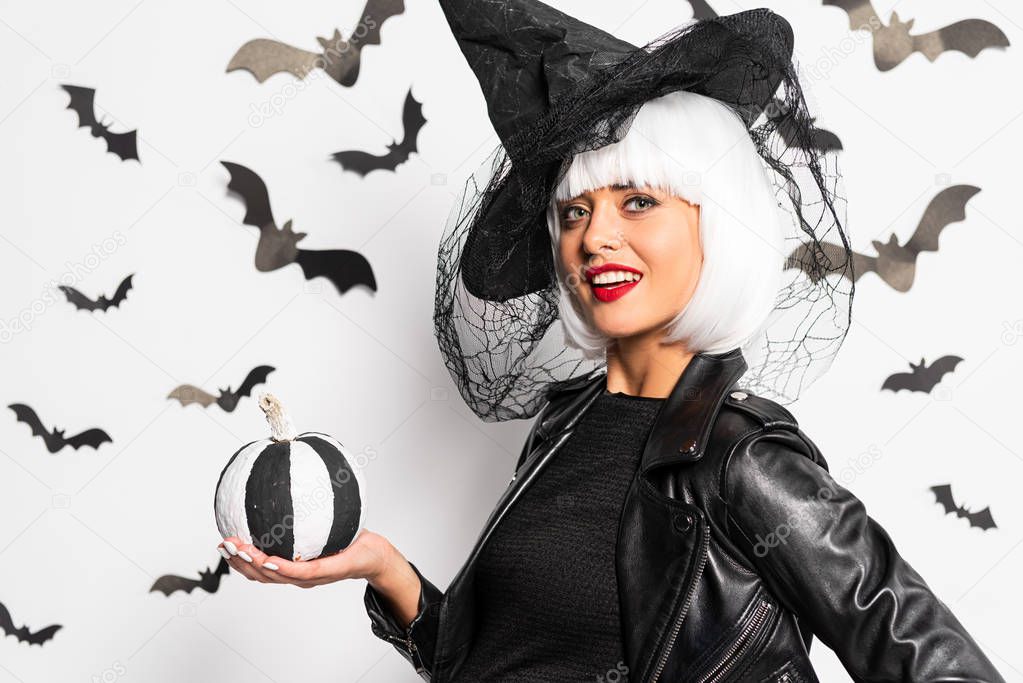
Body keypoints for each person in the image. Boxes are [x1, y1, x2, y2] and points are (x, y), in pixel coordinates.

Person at [218, 2, 1007, 682]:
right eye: (573, 211)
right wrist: (384, 568)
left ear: (715, 223)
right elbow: (492, 661)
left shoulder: (741, 460)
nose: (595, 238)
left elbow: (931, 661)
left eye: (637, 202)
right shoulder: (566, 426)